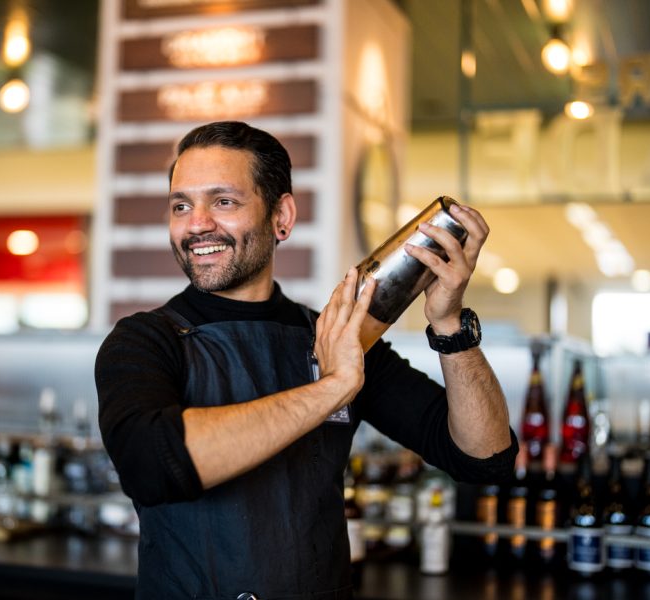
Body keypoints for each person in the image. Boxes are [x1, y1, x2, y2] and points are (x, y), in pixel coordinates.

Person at [95, 121, 517, 599]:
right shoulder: (145, 341)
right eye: (181, 205)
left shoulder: (334, 337)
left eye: (224, 201)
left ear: (282, 217)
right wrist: (333, 387)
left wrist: (449, 325)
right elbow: (153, 464)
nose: (197, 224)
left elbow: (486, 459)